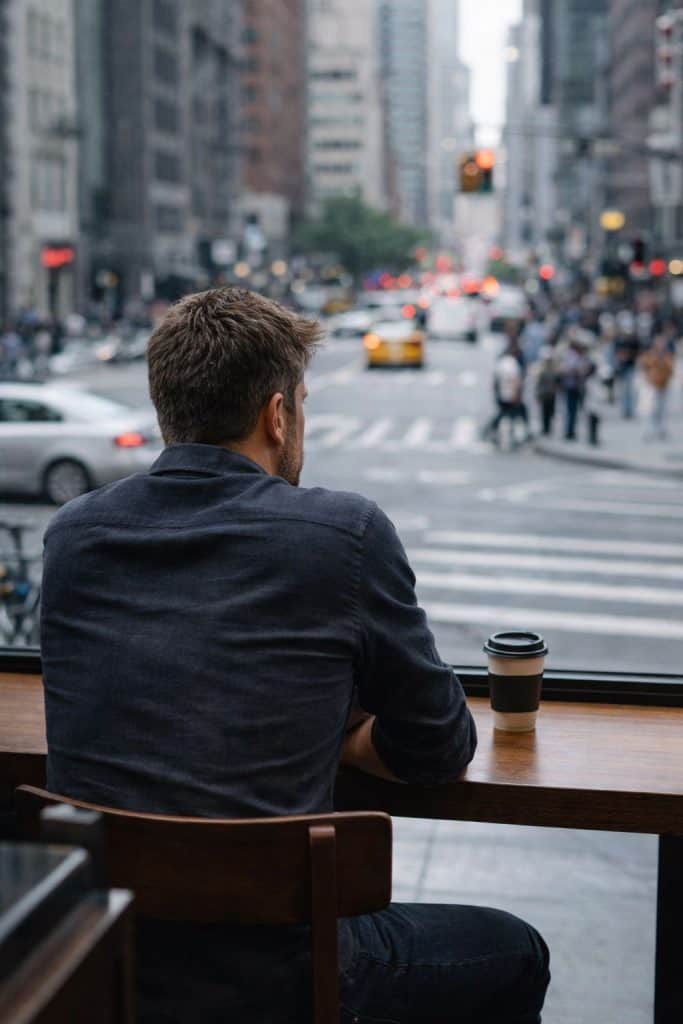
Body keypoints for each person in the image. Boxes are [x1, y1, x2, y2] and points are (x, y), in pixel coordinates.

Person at [41, 288, 550, 1024]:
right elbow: (439, 746)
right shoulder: (343, 535)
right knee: (514, 950)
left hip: (108, 963)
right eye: (301, 402)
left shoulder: (73, 537)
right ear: (276, 417)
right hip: (284, 980)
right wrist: (339, 734)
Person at [639, 333, 675, 440]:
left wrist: (662, 361)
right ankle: (650, 430)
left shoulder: (667, 355)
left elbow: (671, 368)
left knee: (662, 409)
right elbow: (644, 365)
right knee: (651, 409)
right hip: (652, 384)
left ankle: (660, 429)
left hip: (664, 384)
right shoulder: (649, 354)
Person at [533, 346, 559, 436]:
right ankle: (545, 428)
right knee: (544, 412)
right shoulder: (542, 371)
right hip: (545, 394)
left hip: (551, 394)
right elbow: (539, 383)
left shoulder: (553, 370)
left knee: (550, 412)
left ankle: (548, 428)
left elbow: (557, 381)